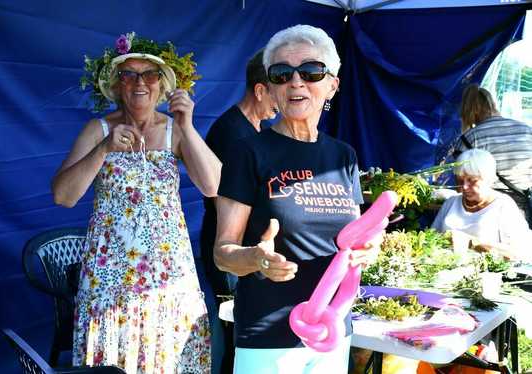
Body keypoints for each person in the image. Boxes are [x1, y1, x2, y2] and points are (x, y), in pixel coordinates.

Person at [213, 25, 382, 374]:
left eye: (311, 71)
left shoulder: (343, 156)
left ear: (332, 85)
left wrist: (371, 246)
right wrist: (257, 259)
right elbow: (222, 253)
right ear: (271, 88)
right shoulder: (247, 152)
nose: (296, 81)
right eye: (281, 73)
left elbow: (353, 237)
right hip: (269, 335)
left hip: (332, 330)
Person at [52, 32, 220, 373]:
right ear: (117, 86)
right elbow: (63, 196)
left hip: (169, 277)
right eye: (129, 75)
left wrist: (187, 127)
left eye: (150, 75)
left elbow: (213, 185)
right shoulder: (98, 130)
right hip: (110, 278)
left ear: (163, 86)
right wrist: (103, 151)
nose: (140, 83)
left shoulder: (175, 130)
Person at [200, 50, 278, 374]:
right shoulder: (231, 133)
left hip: (248, 250)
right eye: (279, 87)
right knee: (237, 339)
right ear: (260, 90)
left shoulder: (254, 128)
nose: (282, 101)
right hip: (229, 251)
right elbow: (226, 200)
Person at [432, 149, 531, 260]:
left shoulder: (503, 205)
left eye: (472, 180)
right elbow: (431, 239)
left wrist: (472, 242)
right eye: (460, 180)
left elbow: (519, 252)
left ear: (488, 179)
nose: (464, 187)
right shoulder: (451, 203)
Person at [451, 84, 532, 214]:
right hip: (526, 205)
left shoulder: (470, 138)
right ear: (493, 104)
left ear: (469, 111)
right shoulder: (527, 130)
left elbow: (461, 184)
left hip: (489, 209)